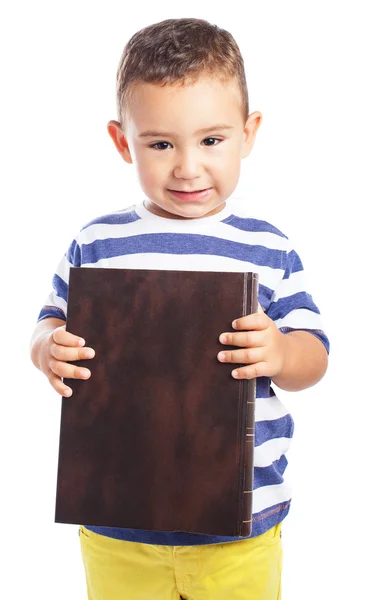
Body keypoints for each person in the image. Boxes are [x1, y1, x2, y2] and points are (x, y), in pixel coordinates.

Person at [30, 17, 329, 600]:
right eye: (161, 143)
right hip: (119, 521)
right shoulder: (97, 242)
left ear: (248, 133)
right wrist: (48, 348)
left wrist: (280, 351)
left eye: (212, 140)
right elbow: (50, 322)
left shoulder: (269, 246)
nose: (188, 167)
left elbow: (314, 357)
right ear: (123, 142)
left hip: (238, 530)